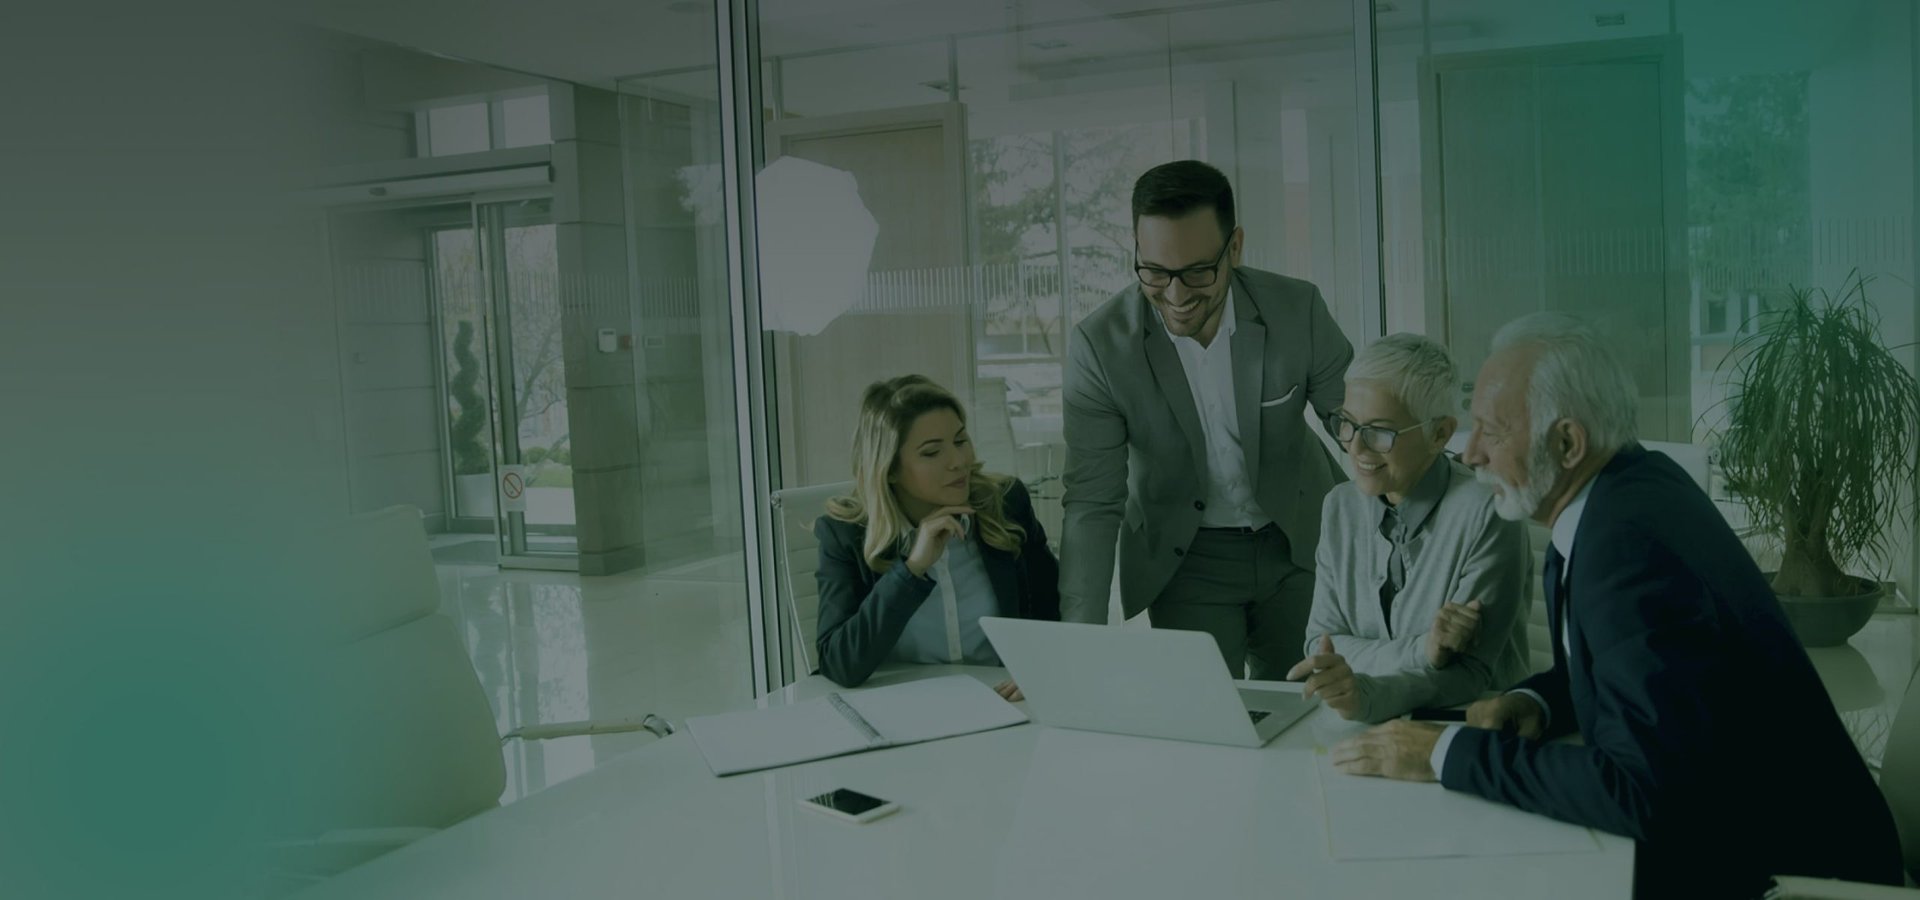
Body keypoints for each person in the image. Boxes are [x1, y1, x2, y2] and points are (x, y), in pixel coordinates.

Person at [1327, 314, 1903, 898]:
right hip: (1758, 835)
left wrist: (1446, 754)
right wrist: (1539, 701)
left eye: (1492, 432)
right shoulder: (1631, 492)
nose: (1470, 454)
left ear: (1568, 443)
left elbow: (1641, 789)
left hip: (1795, 877)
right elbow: (1644, 675)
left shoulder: (1627, 548)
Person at [1059, 159, 1353, 678]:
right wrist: (1079, 642)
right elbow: (1092, 502)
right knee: (1210, 721)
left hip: (1301, 544)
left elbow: (1356, 428)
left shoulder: (1296, 309)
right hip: (1187, 559)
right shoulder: (1100, 348)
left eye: (1198, 271)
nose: (1176, 295)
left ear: (1234, 247)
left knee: (1311, 713)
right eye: (1154, 271)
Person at [1286, 334, 1531, 723]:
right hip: (1360, 723)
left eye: (1380, 432)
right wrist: (1423, 652)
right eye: (1347, 424)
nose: (1356, 448)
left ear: (1439, 434)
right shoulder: (1340, 506)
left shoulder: (1488, 510)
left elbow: (1468, 674)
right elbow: (1320, 645)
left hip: (1472, 725)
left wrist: (1368, 693)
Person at [814, 375, 1061, 694]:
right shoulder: (845, 533)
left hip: (1001, 698)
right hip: (905, 706)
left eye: (960, 441)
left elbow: (1050, 609)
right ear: (889, 468)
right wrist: (912, 569)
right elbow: (839, 664)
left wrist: (1037, 671)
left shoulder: (1007, 503)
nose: (959, 462)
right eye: (932, 453)